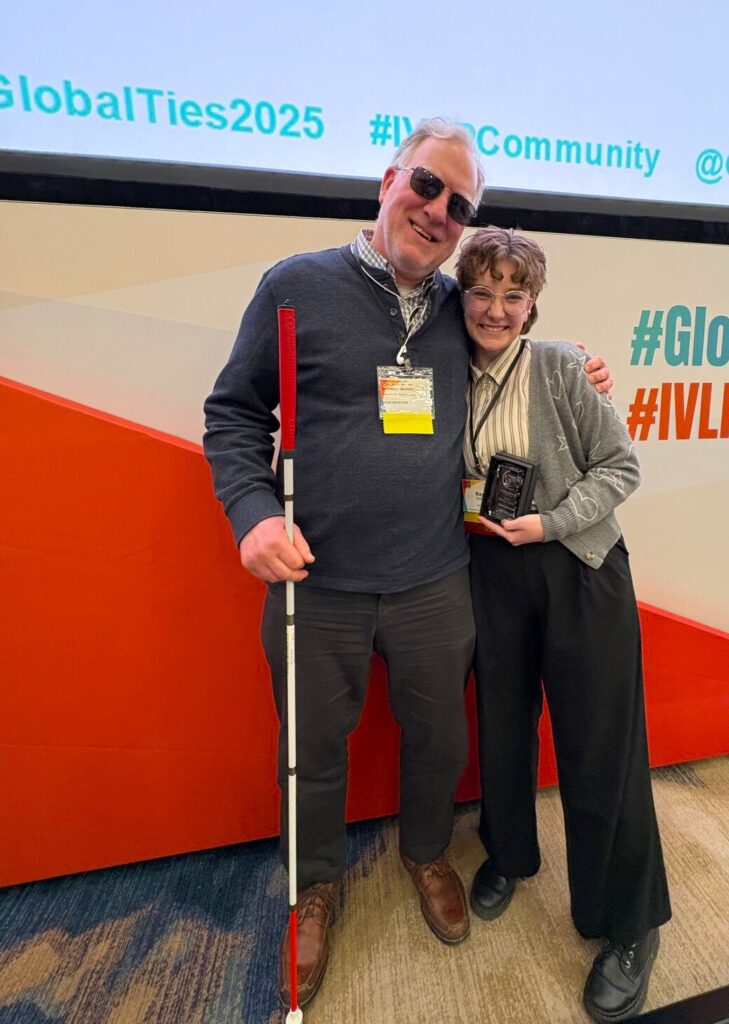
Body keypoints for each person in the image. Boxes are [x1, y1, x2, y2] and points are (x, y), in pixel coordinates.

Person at [202, 119, 611, 1010]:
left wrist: (575, 365)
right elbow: (233, 416)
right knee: (312, 751)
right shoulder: (296, 286)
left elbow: (512, 344)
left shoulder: (458, 313)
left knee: (440, 740)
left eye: (457, 205)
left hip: (434, 580)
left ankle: (426, 852)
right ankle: (314, 885)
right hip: (320, 587)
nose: (436, 211)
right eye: (425, 186)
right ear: (390, 179)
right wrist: (252, 515)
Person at [456, 227, 671, 1023]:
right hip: (488, 572)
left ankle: (627, 924)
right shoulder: (442, 372)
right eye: (481, 291)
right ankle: (508, 855)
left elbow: (622, 466)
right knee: (502, 728)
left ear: (533, 304)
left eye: (513, 295)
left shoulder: (557, 367)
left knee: (600, 748)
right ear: (461, 295)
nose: (495, 309)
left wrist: (550, 522)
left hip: (577, 565)